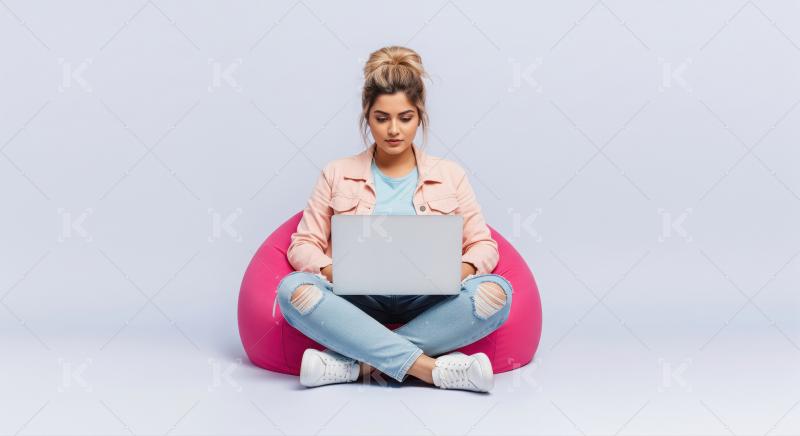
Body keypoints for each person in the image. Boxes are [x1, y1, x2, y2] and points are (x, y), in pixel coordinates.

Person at [276, 46, 513, 393]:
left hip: (428, 298)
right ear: (366, 116)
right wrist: (332, 271)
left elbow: (483, 244)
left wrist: (455, 273)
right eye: (381, 118)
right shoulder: (336, 173)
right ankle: (431, 370)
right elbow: (303, 244)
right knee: (292, 290)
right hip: (356, 297)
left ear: (420, 116)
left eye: (405, 117)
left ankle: (353, 366)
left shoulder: (450, 175)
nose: (393, 130)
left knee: (497, 293)